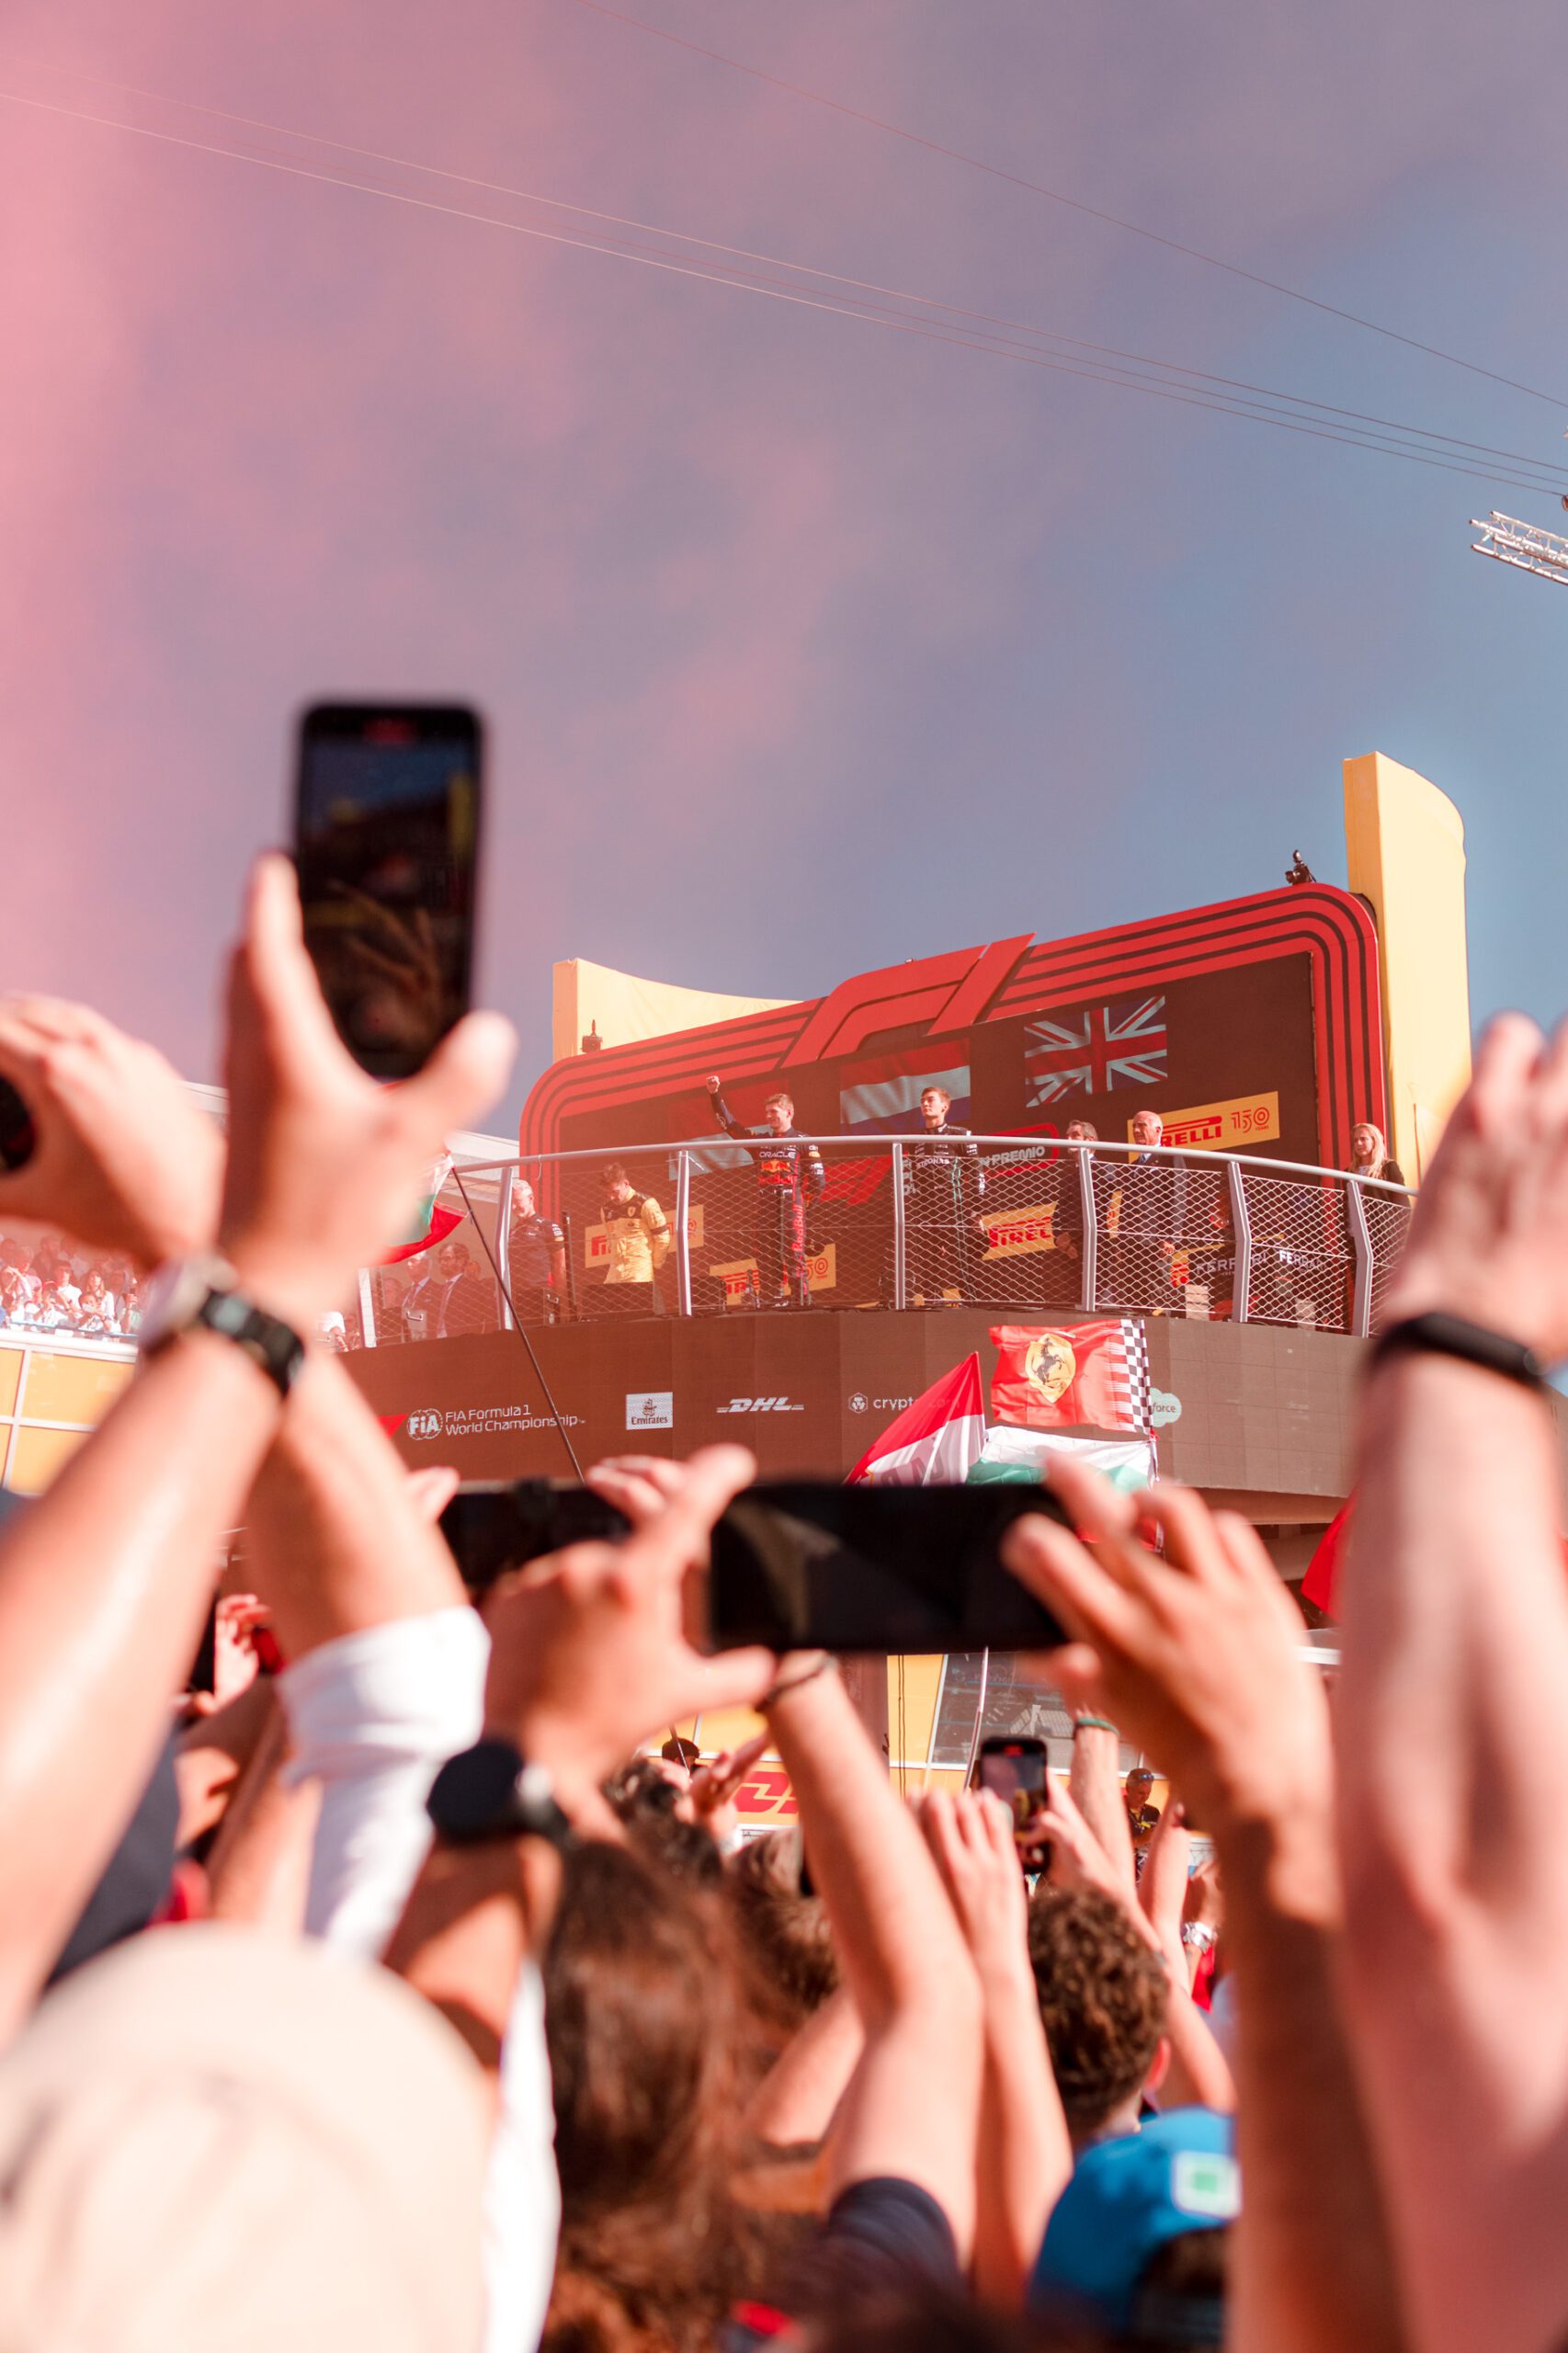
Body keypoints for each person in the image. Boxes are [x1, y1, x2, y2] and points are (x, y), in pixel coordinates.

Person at [706, 1075, 825, 1309]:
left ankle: (801, 1301)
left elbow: (818, 1181)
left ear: (788, 1112)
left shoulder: (804, 1140)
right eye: (766, 1112)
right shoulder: (759, 1141)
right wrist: (714, 1095)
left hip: (792, 1203)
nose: (768, 1116)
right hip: (765, 1203)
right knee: (765, 1253)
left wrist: (803, 1207)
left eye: (773, 1111)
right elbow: (730, 1126)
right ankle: (772, 1299)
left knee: (794, 1253)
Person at [904, 1086, 983, 1306]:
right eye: (922, 1101)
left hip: (954, 1207)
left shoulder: (961, 1135)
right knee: (928, 1260)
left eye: (930, 1100)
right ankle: (932, 1304)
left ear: (944, 1106)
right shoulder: (914, 1140)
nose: (925, 1104)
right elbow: (915, 1178)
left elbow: (976, 1174)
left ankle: (972, 1304)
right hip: (926, 1209)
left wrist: (976, 1211)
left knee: (961, 1258)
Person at [590, 1161, 669, 1317]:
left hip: (639, 1267)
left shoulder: (646, 1203)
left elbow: (662, 1237)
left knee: (638, 1310)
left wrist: (655, 1264)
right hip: (615, 1268)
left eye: (615, 1192)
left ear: (626, 1184)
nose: (611, 1197)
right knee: (608, 1311)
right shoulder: (606, 1209)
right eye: (607, 1193)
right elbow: (610, 1237)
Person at [400, 1236, 495, 1341]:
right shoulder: (438, 1290)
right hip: (435, 1343)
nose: (442, 1263)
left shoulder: (473, 1288)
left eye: (447, 1259)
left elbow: (486, 1320)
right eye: (440, 1260)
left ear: (460, 1261)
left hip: (462, 1342)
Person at [507, 1176, 566, 1325]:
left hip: (541, 1296)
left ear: (530, 1198)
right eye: (511, 1202)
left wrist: (561, 1303)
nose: (513, 1207)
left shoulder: (547, 1227)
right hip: (515, 1298)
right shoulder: (511, 1232)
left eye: (517, 1201)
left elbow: (560, 1267)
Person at [1346, 1121, 1404, 1187]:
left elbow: (1400, 1192)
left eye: (1363, 1139)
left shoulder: (1388, 1167)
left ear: (1374, 1141)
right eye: (1355, 1140)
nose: (1358, 1143)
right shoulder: (1349, 1172)